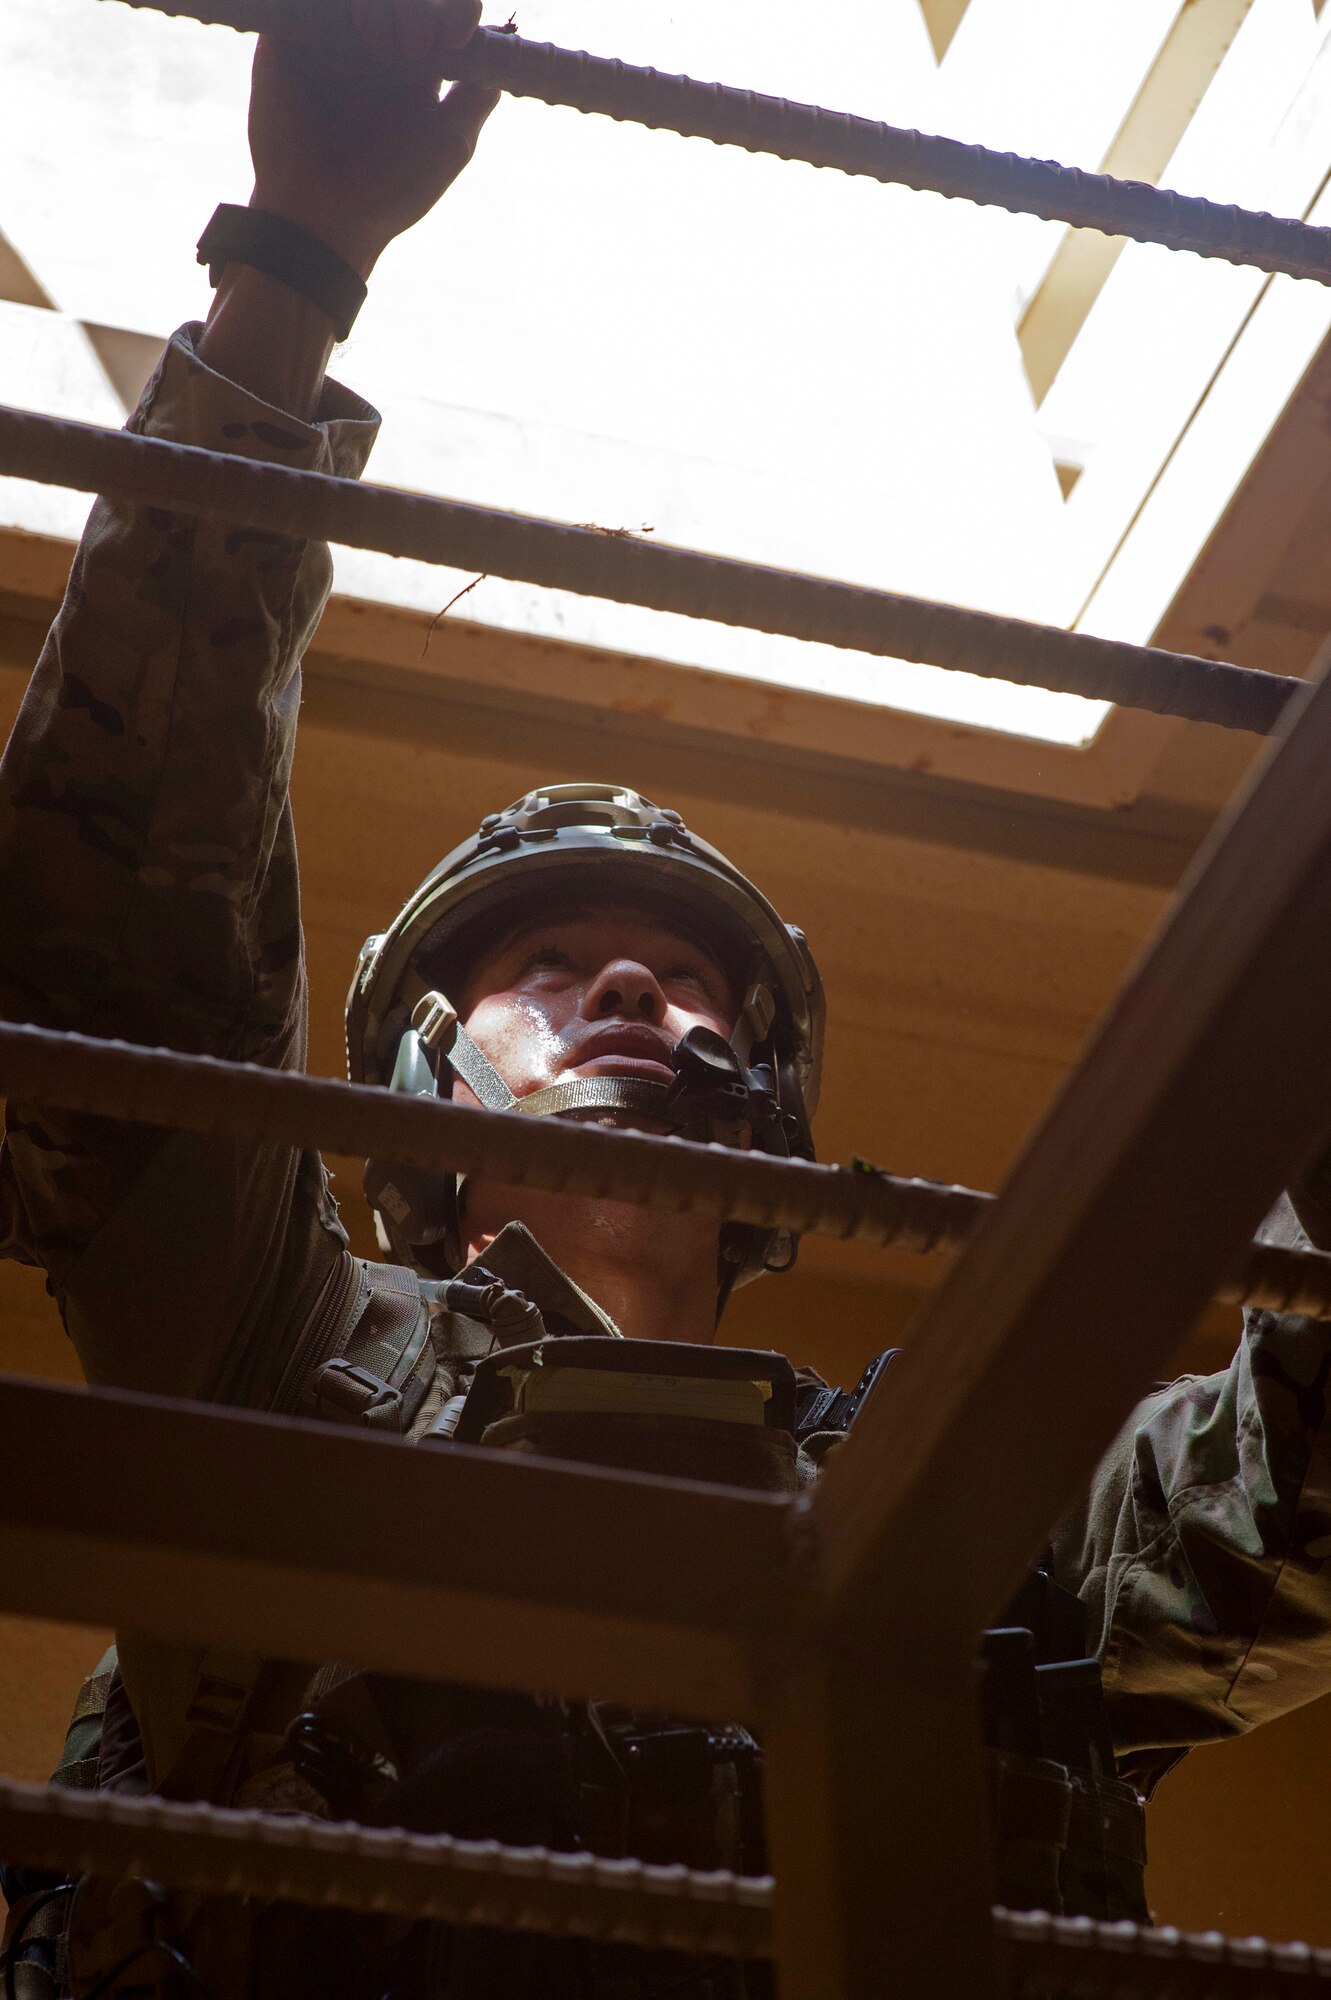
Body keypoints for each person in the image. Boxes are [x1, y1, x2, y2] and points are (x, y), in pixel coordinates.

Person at [2, 5, 1331, 1994]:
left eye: (691, 977)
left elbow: (1303, 1486)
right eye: (546, 965)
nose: (634, 976)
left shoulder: (979, 1502)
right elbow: (129, 930)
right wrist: (289, 269)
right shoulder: (273, 1346)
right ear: (425, 1096)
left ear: (775, 1134)